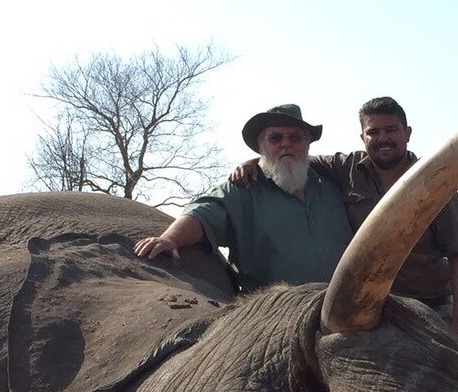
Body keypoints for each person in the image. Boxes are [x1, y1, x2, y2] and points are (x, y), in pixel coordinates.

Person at [230, 97, 458, 345]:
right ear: (363, 137)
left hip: (428, 309)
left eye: (391, 129)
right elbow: (289, 158)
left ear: (407, 133)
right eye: (373, 132)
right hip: (370, 315)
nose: (383, 138)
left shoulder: (436, 181)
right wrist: (255, 163)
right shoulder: (346, 167)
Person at [134, 104, 352, 293]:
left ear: (307, 144)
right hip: (273, 317)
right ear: (260, 147)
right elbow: (203, 213)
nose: (286, 143)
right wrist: (170, 238)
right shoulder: (241, 190)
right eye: (275, 138)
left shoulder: (334, 186)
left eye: (295, 137)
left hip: (348, 313)